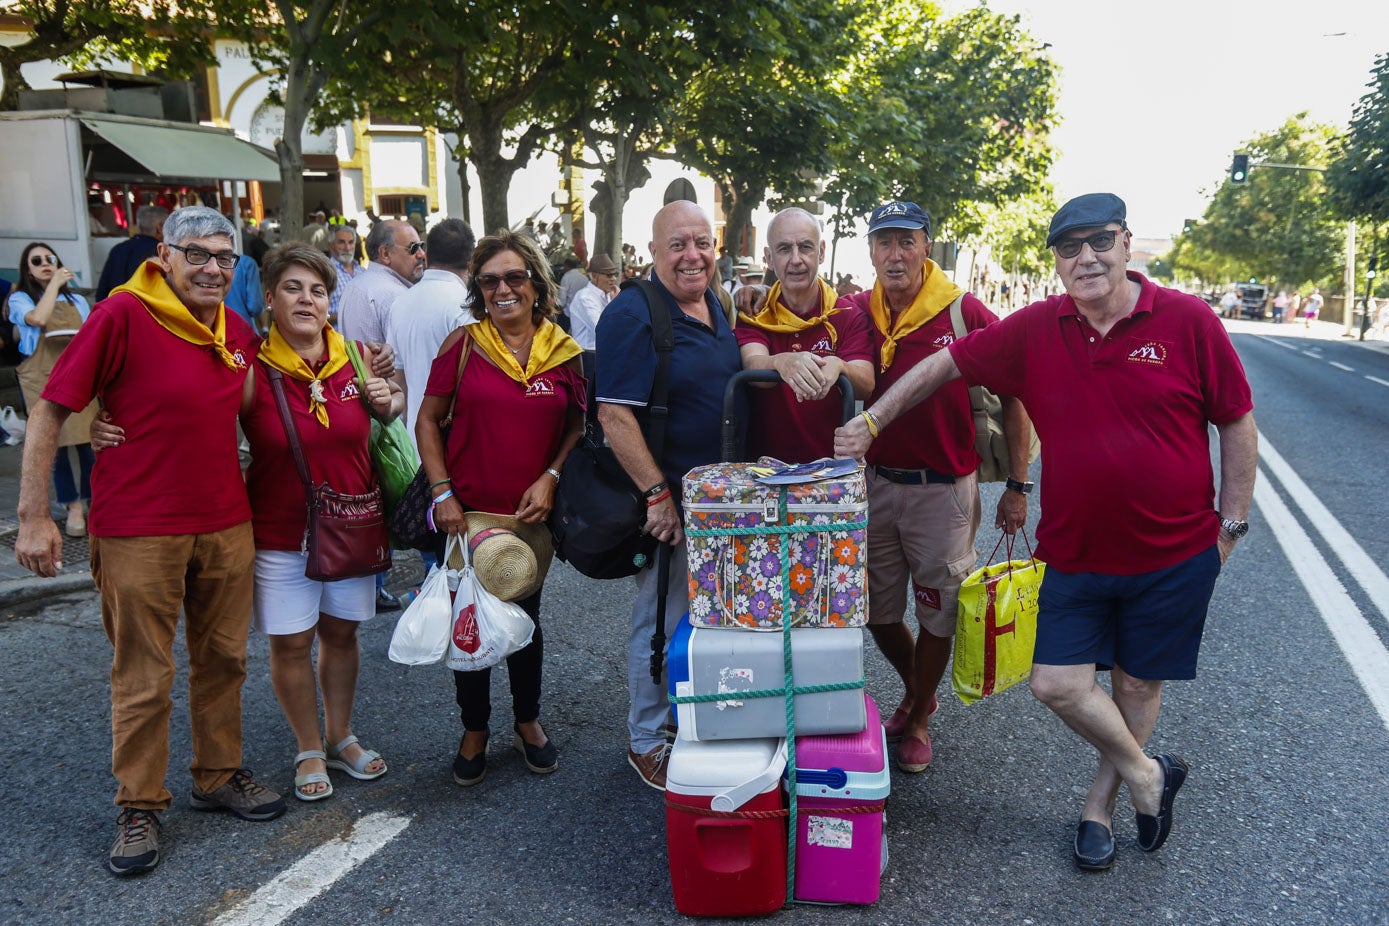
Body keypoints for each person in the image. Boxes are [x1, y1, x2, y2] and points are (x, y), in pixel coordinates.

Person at [835, 192, 1257, 872]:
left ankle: (1101, 807)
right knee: (1055, 685)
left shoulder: (1186, 320)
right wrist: (874, 421)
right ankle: (1150, 776)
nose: (1084, 257)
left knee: (1135, 688)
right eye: (1068, 247)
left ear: (1124, 242)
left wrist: (1229, 527)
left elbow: (1235, 417)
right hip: (1075, 552)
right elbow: (944, 366)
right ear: (1056, 261)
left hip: (1173, 553)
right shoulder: (1036, 327)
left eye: (1097, 241)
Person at [14, 206, 283, 876]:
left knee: (224, 660)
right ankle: (139, 802)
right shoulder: (123, 313)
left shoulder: (235, 328)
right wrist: (33, 516)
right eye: (199, 254)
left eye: (226, 257)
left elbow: (257, 403)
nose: (214, 268)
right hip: (138, 524)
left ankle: (217, 775)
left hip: (225, 518)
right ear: (165, 255)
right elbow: (50, 408)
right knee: (143, 673)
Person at [842, 201, 1029, 774]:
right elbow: (792, 313)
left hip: (944, 491)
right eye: (883, 243)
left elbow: (1017, 394)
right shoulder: (855, 311)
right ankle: (917, 690)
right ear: (870, 250)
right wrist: (750, 294)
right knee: (873, 611)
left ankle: (919, 715)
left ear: (928, 245)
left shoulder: (961, 311)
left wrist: (1019, 485)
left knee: (938, 614)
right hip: (873, 484)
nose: (895, 255)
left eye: (907, 241)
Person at [416, 231, 585, 787]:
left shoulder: (563, 352)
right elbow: (426, 421)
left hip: (529, 517)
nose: (503, 289)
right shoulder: (462, 346)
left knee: (526, 622)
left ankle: (528, 722)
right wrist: (442, 494)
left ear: (537, 285)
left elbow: (577, 427)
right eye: (489, 280)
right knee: (472, 625)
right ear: (478, 289)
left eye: (515, 278)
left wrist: (552, 477)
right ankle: (475, 729)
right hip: (468, 516)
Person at [241, 245, 401, 801]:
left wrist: (390, 398)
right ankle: (308, 746)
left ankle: (341, 734)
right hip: (281, 532)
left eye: (317, 290)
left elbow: (394, 405)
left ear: (330, 302)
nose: (306, 300)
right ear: (269, 298)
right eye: (292, 288)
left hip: (352, 523)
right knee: (290, 644)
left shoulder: (357, 357)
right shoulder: (252, 369)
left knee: (342, 634)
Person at [596, 201, 741, 790]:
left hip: (720, 501)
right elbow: (614, 416)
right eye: (678, 244)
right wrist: (658, 496)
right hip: (673, 506)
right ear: (652, 251)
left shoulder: (715, 302)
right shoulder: (632, 313)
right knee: (660, 617)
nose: (692, 255)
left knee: (707, 620)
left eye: (702, 242)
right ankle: (646, 738)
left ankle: (686, 720)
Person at [735, 208, 874, 461]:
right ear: (768, 257)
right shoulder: (755, 311)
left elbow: (866, 384)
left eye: (806, 247)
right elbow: (752, 366)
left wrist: (840, 366)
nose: (796, 259)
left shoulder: (847, 314)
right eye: (784, 249)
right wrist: (781, 361)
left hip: (830, 476)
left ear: (821, 252)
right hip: (763, 473)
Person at [9, 243, 99, 537]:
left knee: (87, 443)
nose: (46, 264)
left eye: (50, 259)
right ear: (28, 269)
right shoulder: (20, 299)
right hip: (42, 378)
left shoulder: (77, 300)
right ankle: (71, 504)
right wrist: (55, 285)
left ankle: (91, 499)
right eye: (37, 261)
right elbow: (36, 319)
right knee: (54, 445)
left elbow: (90, 334)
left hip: (77, 374)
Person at [387, 218, 477, 446]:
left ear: (426, 255)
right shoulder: (466, 306)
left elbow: (398, 379)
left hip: (416, 438)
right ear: (470, 262)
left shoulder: (400, 303)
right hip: (456, 442)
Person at [337, 220, 425, 345]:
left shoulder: (353, 285)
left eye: (422, 246)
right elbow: (410, 358)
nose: (422, 254)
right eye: (413, 248)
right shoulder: (397, 295)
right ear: (385, 253)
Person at [95, 206, 168, 301]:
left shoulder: (118, 249)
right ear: (159, 228)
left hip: (116, 310)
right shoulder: (162, 252)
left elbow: (101, 293)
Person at [567, 254, 621, 351]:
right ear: (595, 276)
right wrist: (616, 304)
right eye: (609, 275)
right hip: (589, 355)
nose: (613, 278)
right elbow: (603, 330)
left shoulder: (608, 294)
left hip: (603, 352)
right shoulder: (585, 297)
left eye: (615, 274)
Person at [327, 225, 364, 325]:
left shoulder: (363, 272)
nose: (347, 248)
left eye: (351, 242)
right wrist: (343, 316)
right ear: (331, 245)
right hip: (337, 338)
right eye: (341, 242)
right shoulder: (324, 273)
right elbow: (318, 315)